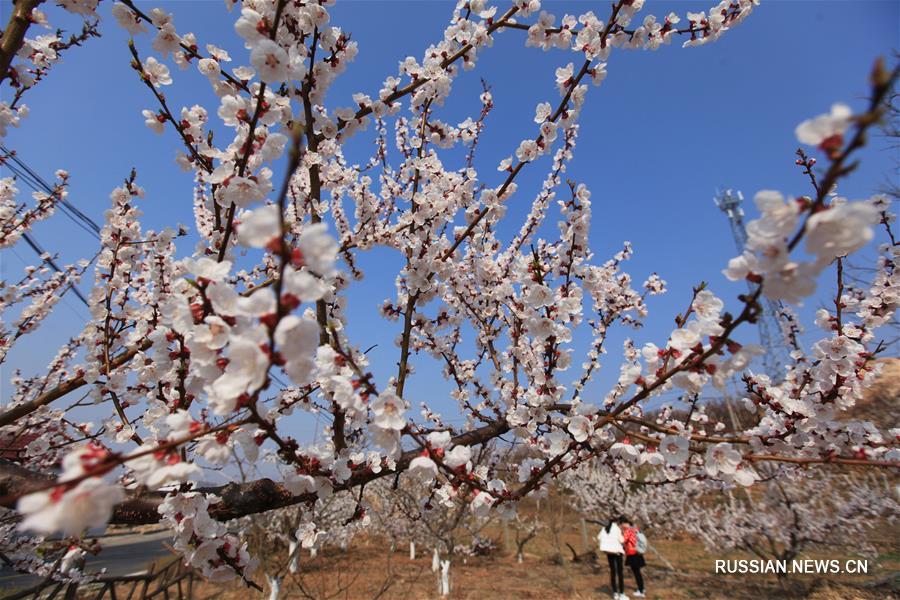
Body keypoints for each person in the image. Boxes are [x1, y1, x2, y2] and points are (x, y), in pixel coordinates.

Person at [598, 516, 627, 600]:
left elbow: (599, 537)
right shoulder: (617, 529)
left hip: (608, 552)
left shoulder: (605, 528)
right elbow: (622, 540)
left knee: (613, 572)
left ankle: (615, 593)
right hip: (617, 552)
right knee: (620, 573)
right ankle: (621, 594)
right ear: (617, 522)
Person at [621, 517, 646, 598]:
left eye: (622, 524)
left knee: (636, 572)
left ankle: (641, 590)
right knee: (638, 572)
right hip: (638, 553)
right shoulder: (636, 529)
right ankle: (642, 588)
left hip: (632, 554)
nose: (621, 526)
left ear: (625, 523)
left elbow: (622, 540)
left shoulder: (628, 531)